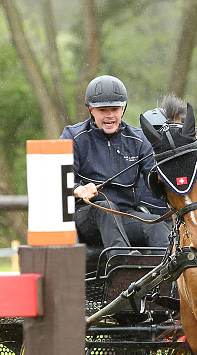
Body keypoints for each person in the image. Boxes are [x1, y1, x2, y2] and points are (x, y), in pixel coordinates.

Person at [60, 75, 171, 249]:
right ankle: (122, 265)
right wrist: (77, 189)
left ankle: (166, 274)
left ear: (123, 109)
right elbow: (58, 182)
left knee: (156, 225)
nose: (110, 116)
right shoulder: (73, 136)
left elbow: (156, 181)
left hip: (126, 215)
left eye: (115, 109)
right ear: (91, 110)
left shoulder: (139, 140)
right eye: (103, 110)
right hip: (87, 215)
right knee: (106, 209)